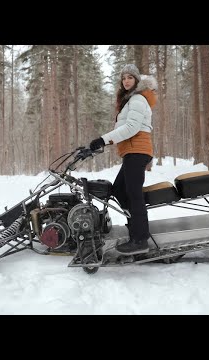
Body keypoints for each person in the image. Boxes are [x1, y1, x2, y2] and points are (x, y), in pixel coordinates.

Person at [89, 64, 158, 255]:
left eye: (130, 77)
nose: (126, 81)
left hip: (138, 150)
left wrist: (103, 140)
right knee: (119, 189)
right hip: (132, 151)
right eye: (124, 78)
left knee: (134, 193)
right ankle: (135, 226)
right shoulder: (130, 99)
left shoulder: (137, 98)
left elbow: (132, 128)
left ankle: (140, 239)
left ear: (137, 80)